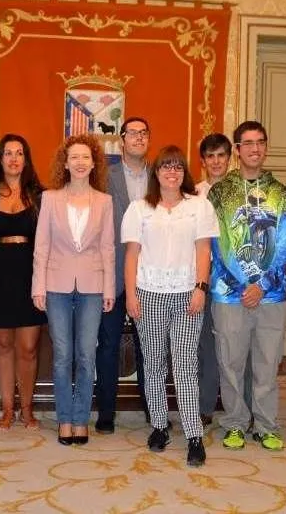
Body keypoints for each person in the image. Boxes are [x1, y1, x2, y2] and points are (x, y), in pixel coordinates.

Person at [121, 145, 218, 467]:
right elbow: (132, 255)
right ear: (156, 172)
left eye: (177, 167)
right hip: (148, 294)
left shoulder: (199, 206)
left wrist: (201, 288)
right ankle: (160, 426)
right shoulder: (139, 208)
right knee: (153, 364)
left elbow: (204, 251)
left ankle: (193, 435)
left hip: (188, 294)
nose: (172, 172)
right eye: (166, 167)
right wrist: (131, 295)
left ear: (184, 173)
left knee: (186, 365)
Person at [208, 120, 286, 452]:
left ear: (266, 147)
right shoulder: (219, 193)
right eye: (248, 143)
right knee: (230, 362)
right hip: (228, 293)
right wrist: (240, 283)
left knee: (267, 362)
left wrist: (261, 284)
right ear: (237, 149)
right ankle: (234, 423)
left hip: (271, 294)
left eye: (260, 142)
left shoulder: (281, 193)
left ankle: (266, 425)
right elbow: (216, 246)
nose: (255, 148)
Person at [32, 134, 115, 446]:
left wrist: (109, 288)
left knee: (85, 353)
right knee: (62, 354)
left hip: (93, 286)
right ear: (65, 164)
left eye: (85, 157)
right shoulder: (50, 199)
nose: (80, 163)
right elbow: (42, 246)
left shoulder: (105, 201)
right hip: (56, 285)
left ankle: (82, 419)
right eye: (74, 158)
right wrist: (37, 286)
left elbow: (107, 248)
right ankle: (64, 418)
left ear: (94, 164)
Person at [0, 134, 47, 431]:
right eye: (8, 153)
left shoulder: (41, 196)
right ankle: (6, 410)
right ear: (0, 159)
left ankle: (27, 410)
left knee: (28, 347)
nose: (14, 158)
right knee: (3, 344)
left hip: (30, 276)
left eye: (19, 153)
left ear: (26, 159)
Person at [95, 117, 149, 434]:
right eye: (132, 133)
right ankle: (106, 412)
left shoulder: (164, 175)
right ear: (122, 140)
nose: (138, 138)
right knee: (108, 345)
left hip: (153, 278)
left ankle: (151, 409)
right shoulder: (105, 177)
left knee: (149, 348)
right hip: (113, 275)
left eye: (144, 133)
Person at [195, 133, 232, 426]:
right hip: (206, 278)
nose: (216, 161)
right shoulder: (194, 195)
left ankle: (238, 407)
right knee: (206, 344)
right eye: (211, 156)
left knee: (235, 345)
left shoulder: (241, 192)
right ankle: (206, 405)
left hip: (236, 280)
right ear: (203, 161)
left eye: (221, 155)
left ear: (229, 159)